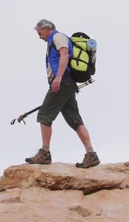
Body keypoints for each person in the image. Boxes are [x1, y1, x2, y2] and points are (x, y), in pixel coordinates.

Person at [25, 19, 100, 168]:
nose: (40, 37)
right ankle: (91, 155)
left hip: (63, 82)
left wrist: (58, 78)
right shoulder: (54, 39)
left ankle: (45, 153)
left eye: (40, 33)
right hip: (67, 83)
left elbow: (64, 55)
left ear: (47, 29)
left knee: (44, 115)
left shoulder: (57, 37)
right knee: (75, 120)